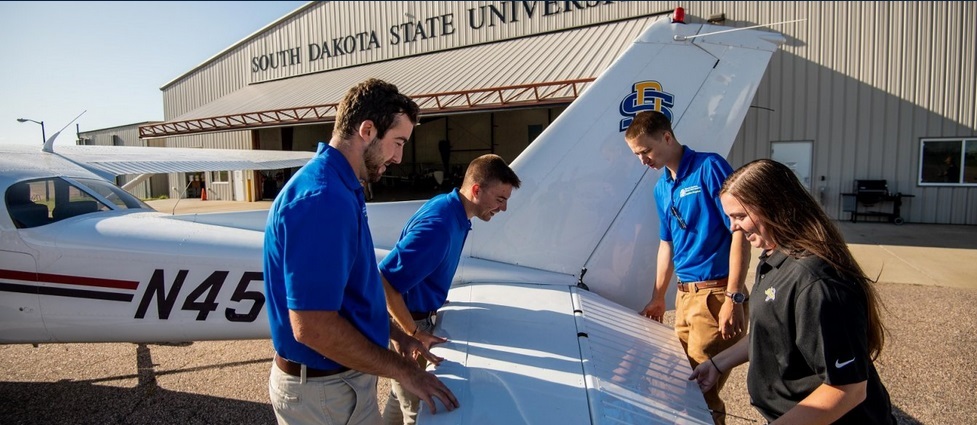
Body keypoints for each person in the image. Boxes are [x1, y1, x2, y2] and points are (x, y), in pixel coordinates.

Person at [263, 78, 459, 425]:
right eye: (397, 142)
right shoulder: (324, 199)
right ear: (367, 130)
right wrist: (404, 371)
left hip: (337, 387)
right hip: (325, 396)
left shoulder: (342, 186)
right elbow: (313, 327)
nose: (399, 157)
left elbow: (353, 296)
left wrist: (399, 334)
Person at [690, 159, 895, 424]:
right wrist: (718, 363)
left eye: (739, 216)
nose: (733, 227)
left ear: (773, 207)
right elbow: (774, 331)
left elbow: (848, 389)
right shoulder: (775, 258)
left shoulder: (817, 282)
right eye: (729, 217)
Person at [623, 110, 750, 425]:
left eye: (646, 151)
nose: (643, 161)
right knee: (679, 382)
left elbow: (739, 232)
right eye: (637, 155)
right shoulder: (662, 188)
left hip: (715, 296)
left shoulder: (710, 168)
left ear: (667, 137)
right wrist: (657, 297)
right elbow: (667, 244)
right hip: (685, 298)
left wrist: (733, 297)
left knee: (697, 391)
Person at [380, 154, 520, 425]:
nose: (503, 209)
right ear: (477, 190)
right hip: (409, 324)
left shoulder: (454, 211)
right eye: (500, 199)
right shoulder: (439, 227)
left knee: (401, 400)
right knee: (420, 412)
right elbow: (384, 282)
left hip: (417, 319)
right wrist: (412, 333)